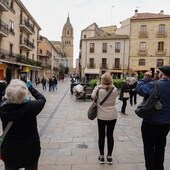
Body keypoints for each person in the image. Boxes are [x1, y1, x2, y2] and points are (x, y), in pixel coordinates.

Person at [0, 79, 46, 170]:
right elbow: (42, 99)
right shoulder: (31, 107)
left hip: (10, 150)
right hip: (30, 150)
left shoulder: (3, 109)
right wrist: (30, 87)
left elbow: (5, 98)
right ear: (24, 94)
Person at [136, 66, 170, 170]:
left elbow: (139, 89)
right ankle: (159, 167)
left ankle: (150, 168)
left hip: (150, 122)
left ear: (161, 74)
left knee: (149, 148)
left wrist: (145, 78)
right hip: (166, 123)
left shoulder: (155, 85)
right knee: (161, 147)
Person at [91, 72, 118, 164]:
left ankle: (101, 156)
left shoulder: (98, 89)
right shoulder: (114, 89)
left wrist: (97, 86)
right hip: (112, 116)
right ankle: (109, 156)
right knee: (110, 135)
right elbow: (113, 90)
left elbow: (92, 96)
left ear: (102, 80)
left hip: (101, 116)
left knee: (101, 136)